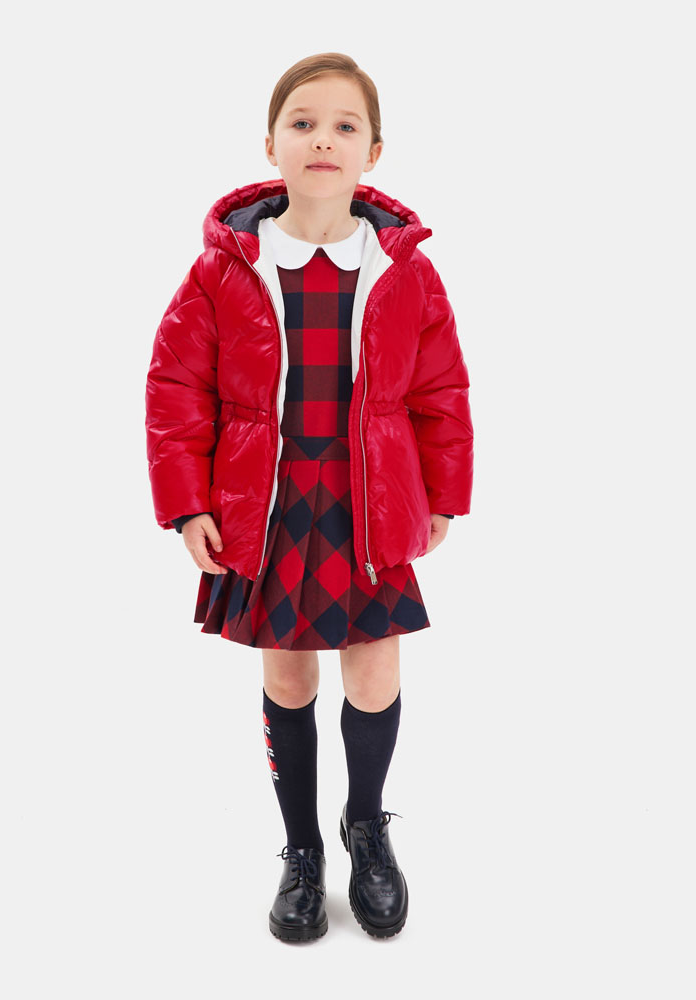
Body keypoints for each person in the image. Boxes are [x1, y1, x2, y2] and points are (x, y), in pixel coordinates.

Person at [145, 52, 473, 942]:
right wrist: (188, 503)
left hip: (370, 499)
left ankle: (366, 826)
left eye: (344, 126)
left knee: (375, 671)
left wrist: (445, 494)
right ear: (270, 144)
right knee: (287, 675)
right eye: (302, 123)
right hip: (270, 499)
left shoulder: (402, 271)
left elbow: (440, 388)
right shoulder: (225, 270)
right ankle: (301, 849)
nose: (322, 140)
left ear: (374, 152)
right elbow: (177, 388)